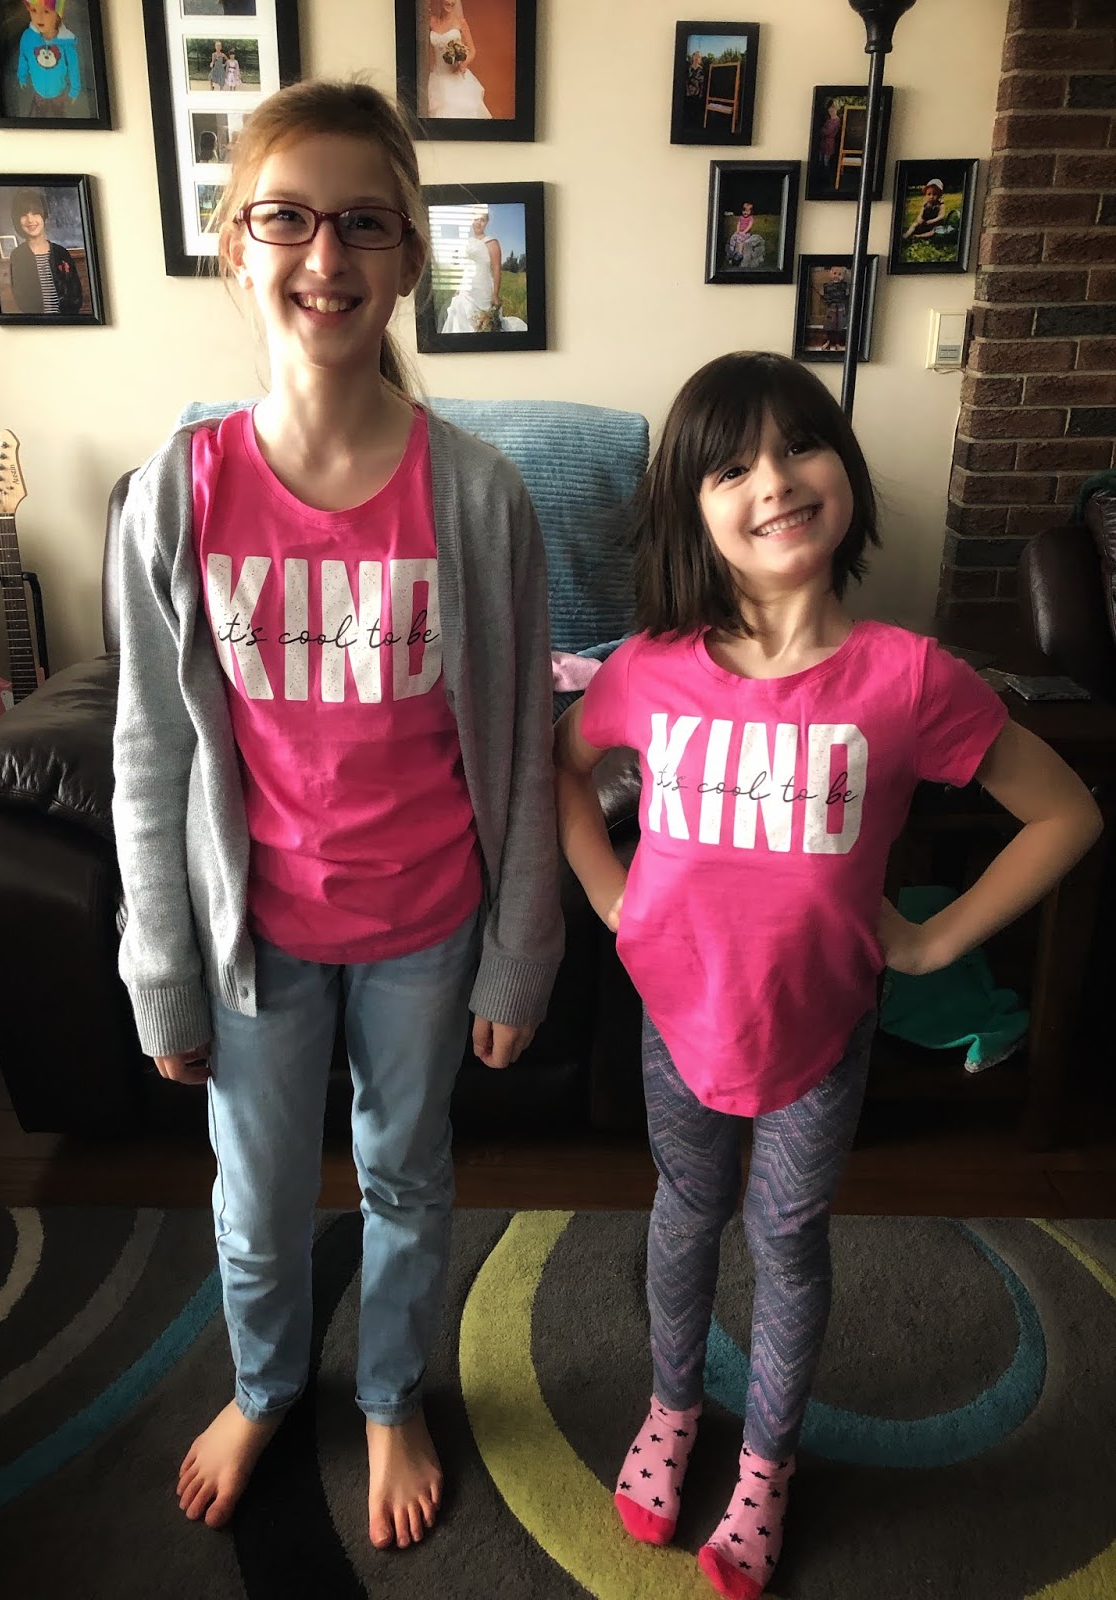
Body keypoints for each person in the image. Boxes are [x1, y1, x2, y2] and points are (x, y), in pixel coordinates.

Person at [553, 351, 1102, 1600]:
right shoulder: (652, 666)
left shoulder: (909, 678)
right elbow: (564, 766)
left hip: (822, 1027)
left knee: (789, 1238)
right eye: (732, 465)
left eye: (799, 443)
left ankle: (767, 1462)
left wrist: (935, 941)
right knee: (685, 1210)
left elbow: (1066, 811)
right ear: (692, 508)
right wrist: (609, 895)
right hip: (677, 1016)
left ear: (842, 470)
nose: (775, 479)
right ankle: (671, 1405)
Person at [111, 78, 561, 1550]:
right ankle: (263, 1385)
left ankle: (387, 1393)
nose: (326, 254)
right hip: (257, 938)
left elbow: (522, 744)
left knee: (406, 1176)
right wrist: (160, 966)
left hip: (428, 927)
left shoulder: (478, 497)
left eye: (366, 222)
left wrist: (520, 955)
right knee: (254, 1202)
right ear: (235, 247)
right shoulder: (177, 492)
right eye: (287, 218)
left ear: (411, 254)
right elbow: (149, 752)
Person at [440, 210, 527, 333]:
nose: (478, 223)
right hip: (466, 287)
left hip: (483, 287)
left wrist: (495, 294)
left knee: (483, 322)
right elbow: (467, 265)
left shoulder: (491, 242)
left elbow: (497, 269)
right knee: (458, 307)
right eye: (476, 219)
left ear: (486, 222)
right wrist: (459, 287)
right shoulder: (468, 241)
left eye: (482, 220)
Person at [6, 186, 83, 315]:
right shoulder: (18, 256)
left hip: (66, 321)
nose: (30, 220)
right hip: (37, 323)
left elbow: (75, 293)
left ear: (44, 216)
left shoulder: (61, 253)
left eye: (35, 213)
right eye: (24, 215)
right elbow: (20, 296)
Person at [17, 0, 81, 118]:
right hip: (39, 89)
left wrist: (74, 89)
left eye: (46, 11)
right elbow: (23, 57)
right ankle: (41, 113)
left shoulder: (66, 43)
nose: (39, 17)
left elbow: (73, 68)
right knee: (40, 109)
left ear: (58, 15)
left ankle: (58, 114)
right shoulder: (28, 37)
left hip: (58, 91)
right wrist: (22, 75)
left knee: (58, 110)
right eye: (34, 10)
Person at [427, 0, 490, 119]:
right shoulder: (431, 21)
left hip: (455, 75)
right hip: (438, 75)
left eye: (453, 1)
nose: (450, 3)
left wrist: (463, 63)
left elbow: (472, 50)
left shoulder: (461, 23)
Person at [904, 177, 948, 242]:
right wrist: (920, 219)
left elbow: (941, 216)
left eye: (935, 194)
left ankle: (918, 237)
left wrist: (932, 221)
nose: (931, 197)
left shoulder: (940, 205)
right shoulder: (925, 205)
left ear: (939, 195)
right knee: (914, 225)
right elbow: (920, 214)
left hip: (935, 224)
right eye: (929, 194)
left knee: (934, 231)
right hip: (925, 223)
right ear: (925, 195)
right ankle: (906, 236)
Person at [819, 263, 850, 350]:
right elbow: (823, 294)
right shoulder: (826, 285)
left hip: (841, 308)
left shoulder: (844, 285)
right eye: (835, 273)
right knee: (829, 325)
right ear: (830, 273)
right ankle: (828, 341)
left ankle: (837, 343)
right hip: (830, 307)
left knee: (839, 326)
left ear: (843, 276)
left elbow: (847, 295)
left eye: (839, 274)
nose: (837, 276)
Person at [724, 202, 758, 267]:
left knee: (740, 239)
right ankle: (731, 250)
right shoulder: (741, 217)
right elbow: (738, 224)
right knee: (733, 237)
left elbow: (749, 226)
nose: (745, 212)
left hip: (746, 233)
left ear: (751, 212)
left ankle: (740, 253)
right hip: (740, 232)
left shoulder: (750, 218)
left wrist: (744, 232)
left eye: (747, 211)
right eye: (744, 211)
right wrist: (737, 231)